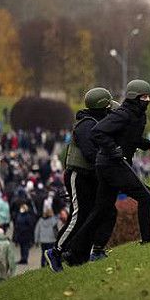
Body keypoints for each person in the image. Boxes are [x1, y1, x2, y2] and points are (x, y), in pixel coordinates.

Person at [64, 80, 150, 266]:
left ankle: (73, 253)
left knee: (101, 210)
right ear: (133, 97)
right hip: (111, 164)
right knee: (146, 196)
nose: (147, 100)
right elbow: (97, 132)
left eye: (148, 97)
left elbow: (130, 138)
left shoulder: (138, 115)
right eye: (143, 97)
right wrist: (113, 149)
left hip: (109, 164)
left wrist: (147, 144)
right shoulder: (123, 114)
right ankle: (146, 239)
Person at [45, 88, 118, 272]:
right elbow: (90, 152)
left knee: (97, 213)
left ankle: (80, 255)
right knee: (78, 215)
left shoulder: (95, 121)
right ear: (101, 105)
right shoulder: (86, 125)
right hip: (79, 175)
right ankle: (56, 251)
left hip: (90, 175)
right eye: (107, 106)